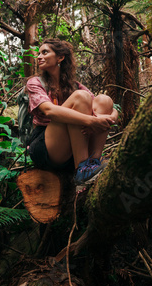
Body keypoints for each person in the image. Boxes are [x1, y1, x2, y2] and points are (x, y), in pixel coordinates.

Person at [26, 38, 118, 185]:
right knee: (81, 98)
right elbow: (49, 110)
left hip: (72, 147)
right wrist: (91, 121)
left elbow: (109, 108)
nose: (39, 57)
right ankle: (82, 171)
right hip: (46, 145)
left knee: (104, 100)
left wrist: (107, 118)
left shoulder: (75, 86)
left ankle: (93, 162)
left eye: (45, 52)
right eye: (39, 53)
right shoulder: (35, 83)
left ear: (60, 58)